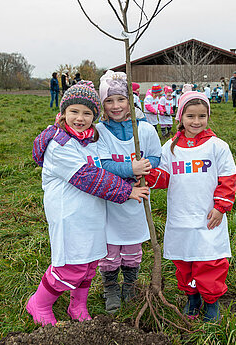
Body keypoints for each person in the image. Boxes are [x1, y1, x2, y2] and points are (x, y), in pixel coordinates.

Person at [27, 80, 149, 327]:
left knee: (90, 263)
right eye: (74, 111)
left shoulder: (91, 139)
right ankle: (39, 304)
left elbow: (106, 164)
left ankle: (77, 305)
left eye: (87, 113)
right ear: (63, 113)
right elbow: (87, 176)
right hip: (70, 215)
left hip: (93, 214)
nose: (80, 118)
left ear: (95, 117)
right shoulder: (59, 144)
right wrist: (126, 191)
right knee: (71, 264)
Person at [145, 89, 236, 323]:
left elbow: (228, 177)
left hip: (209, 217)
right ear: (180, 118)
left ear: (208, 116)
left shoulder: (218, 146)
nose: (196, 122)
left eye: (201, 116)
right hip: (180, 217)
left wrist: (220, 206)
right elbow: (163, 177)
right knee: (184, 261)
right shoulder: (170, 148)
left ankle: (211, 301)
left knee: (210, 261)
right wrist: (145, 174)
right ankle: (192, 298)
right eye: (190, 116)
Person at [96, 70, 162, 314]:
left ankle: (130, 285)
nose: (115, 106)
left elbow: (155, 156)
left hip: (138, 201)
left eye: (121, 99)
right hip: (110, 202)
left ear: (131, 100)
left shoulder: (144, 130)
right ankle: (110, 287)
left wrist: (144, 168)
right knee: (110, 250)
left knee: (133, 249)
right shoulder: (99, 132)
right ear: (102, 104)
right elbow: (102, 164)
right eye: (109, 101)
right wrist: (129, 168)